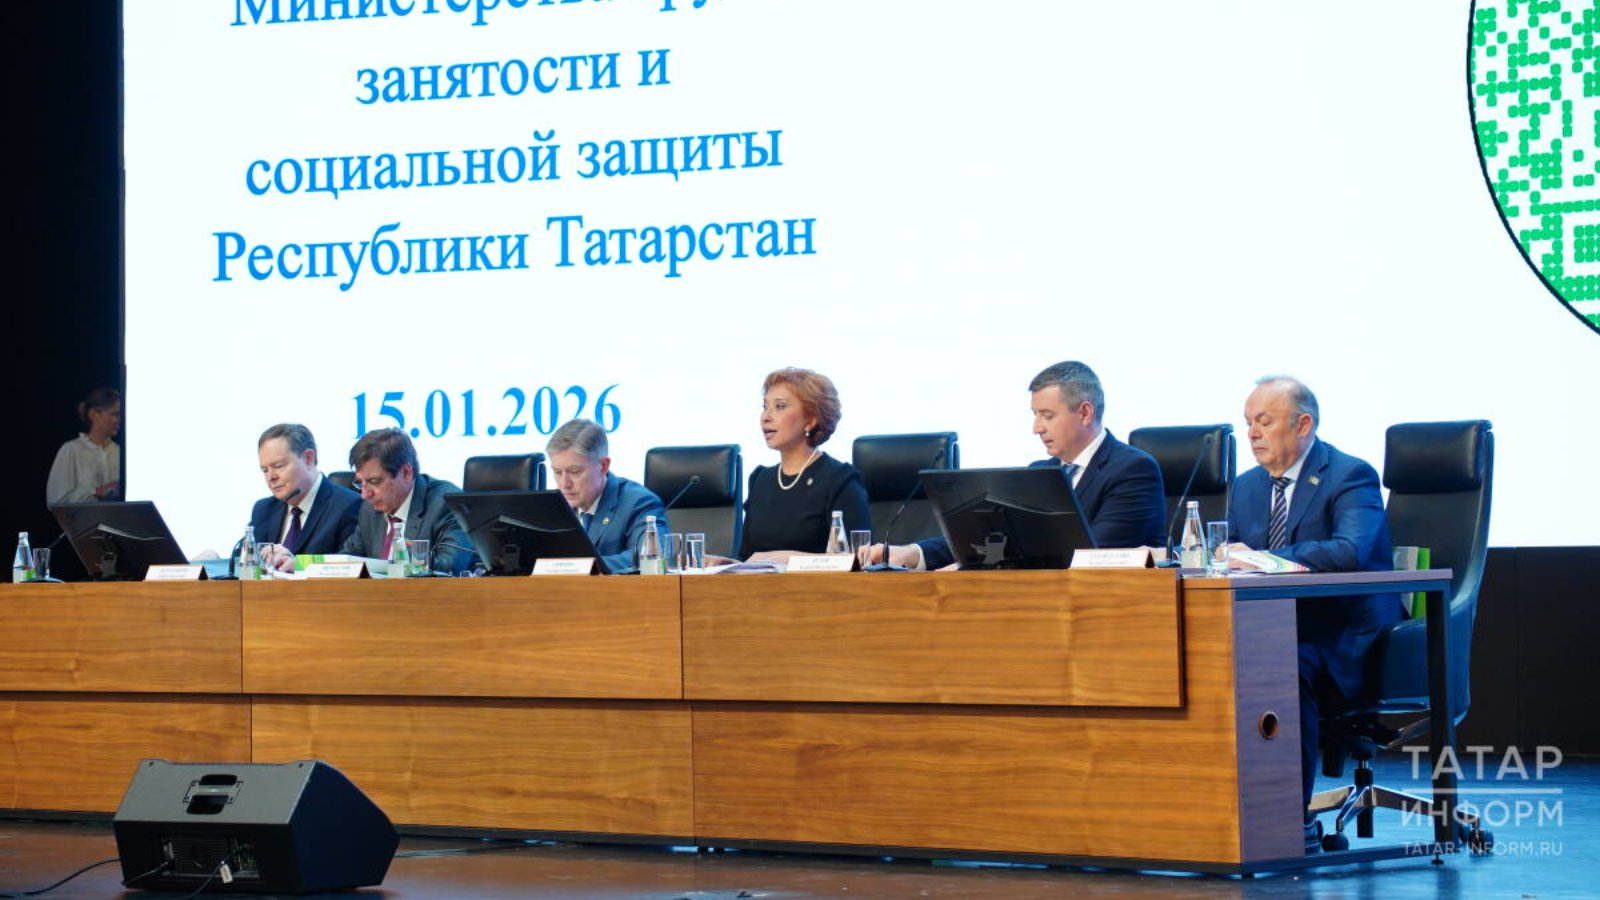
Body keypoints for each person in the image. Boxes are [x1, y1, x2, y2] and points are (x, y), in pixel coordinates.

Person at [1226, 375, 1400, 852]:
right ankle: (1219, 810)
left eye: (1264, 422)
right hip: (1273, 627)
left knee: (1283, 666)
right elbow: (1235, 556)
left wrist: (1264, 560)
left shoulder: (1349, 475)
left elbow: (1348, 551)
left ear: (1303, 425)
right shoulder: (1246, 486)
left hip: (1343, 633)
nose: (1252, 433)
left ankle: (1289, 817)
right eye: (1248, 422)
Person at [880, 360, 1166, 569]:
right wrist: (912, 553)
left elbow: (1093, 555)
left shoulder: (1132, 470)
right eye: (1035, 415)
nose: (1036, 428)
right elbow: (986, 539)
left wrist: (975, 566)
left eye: (1047, 415)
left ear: (1084, 412)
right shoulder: (1041, 472)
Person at [736, 367, 870, 561]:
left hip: (817, 583)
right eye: (765, 406)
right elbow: (748, 559)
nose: (766, 416)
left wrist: (786, 559)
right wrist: (723, 563)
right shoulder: (760, 480)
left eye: (779, 406)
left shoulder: (840, 480)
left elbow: (857, 561)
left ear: (811, 420)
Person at [340, 428, 477, 574]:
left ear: (406, 473)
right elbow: (348, 561)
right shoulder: (369, 510)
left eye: (374, 481)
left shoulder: (446, 503)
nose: (364, 495)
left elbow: (449, 567)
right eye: (360, 483)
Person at [546, 418, 668, 574]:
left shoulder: (639, 502)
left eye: (575, 472)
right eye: (557, 472)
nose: (564, 483)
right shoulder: (554, 507)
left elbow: (648, 558)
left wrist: (581, 567)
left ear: (603, 466)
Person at [250, 423, 362, 557]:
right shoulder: (263, 510)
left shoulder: (347, 506)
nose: (271, 477)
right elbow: (244, 561)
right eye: (265, 470)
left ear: (308, 458)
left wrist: (298, 565)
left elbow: (347, 564)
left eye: (279, 466)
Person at [46, 388, 122, 506]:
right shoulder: (71, 450)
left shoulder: (121, 453)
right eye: (114, 414)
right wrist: (98, 491)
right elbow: (56, 501)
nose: (119, 420)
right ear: (93, 414)